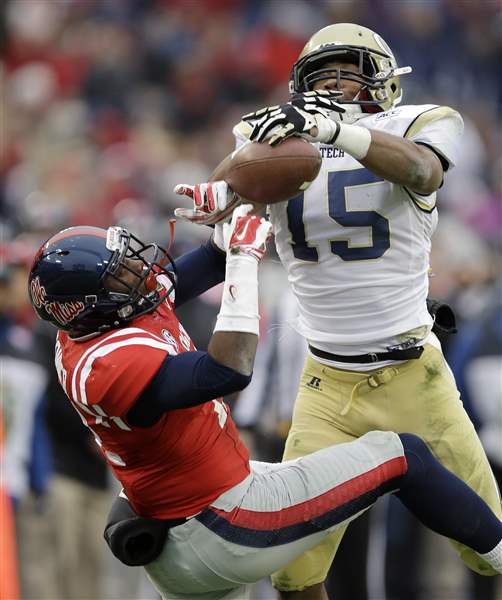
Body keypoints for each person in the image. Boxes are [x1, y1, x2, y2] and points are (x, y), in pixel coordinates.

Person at [173, 23, 502, 599]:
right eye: (322, 75)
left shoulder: (424, 122)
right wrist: (223, 192)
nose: (335, 84)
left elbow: (423, 171)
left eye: (350, 71)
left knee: (492, 550)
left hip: (415, 374)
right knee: (294, 573)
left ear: (383, 80)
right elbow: (226, 191)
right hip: (327, 385)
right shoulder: (274, 138)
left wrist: (333, 128)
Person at [27, 215, 502, 600]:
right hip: (222, 522)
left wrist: (231, 214)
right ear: (90, 305)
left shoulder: (102, 320)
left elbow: (205, 262)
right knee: (403, 455)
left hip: (183, 539)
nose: (138, 272)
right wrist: (246, 261)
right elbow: (229, 369)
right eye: (119, 274)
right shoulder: (104, 366)